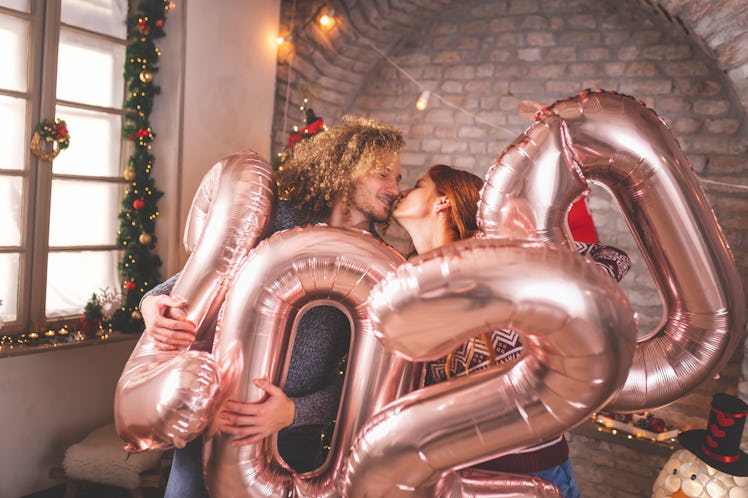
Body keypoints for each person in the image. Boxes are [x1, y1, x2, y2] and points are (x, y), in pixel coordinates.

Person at [141, 116, 404, 498]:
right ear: (348, 170)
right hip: (214, 424)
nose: (395, 188)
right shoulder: (277, 217)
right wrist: (151, 304)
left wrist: (294, 412)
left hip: (294, 443)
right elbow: (197, 276)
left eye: (398, 177)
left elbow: (365, 382)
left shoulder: (380, 266)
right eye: (384, 174)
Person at [391, 164, 631, 498]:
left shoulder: (495, 258)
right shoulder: (410, 280)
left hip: (531, 471)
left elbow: (613, 259)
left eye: (417, 185)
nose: (401, 191)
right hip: (458, 474)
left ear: (443, 200)